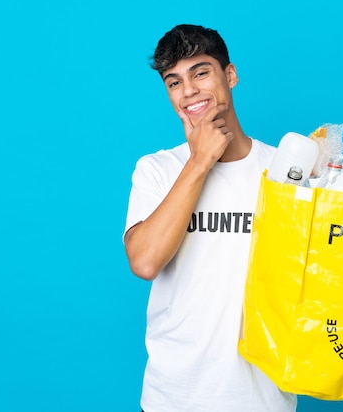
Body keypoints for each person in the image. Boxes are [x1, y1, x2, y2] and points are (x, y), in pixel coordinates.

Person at [123, 24, 297, 412]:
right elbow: (145, 261)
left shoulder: (285, 172)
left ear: (229, 76)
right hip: (173, 399)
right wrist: (200, 159)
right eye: (174, 82)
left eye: (200, 72)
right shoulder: (157, 170)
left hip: (264, 399)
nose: (188, 91)